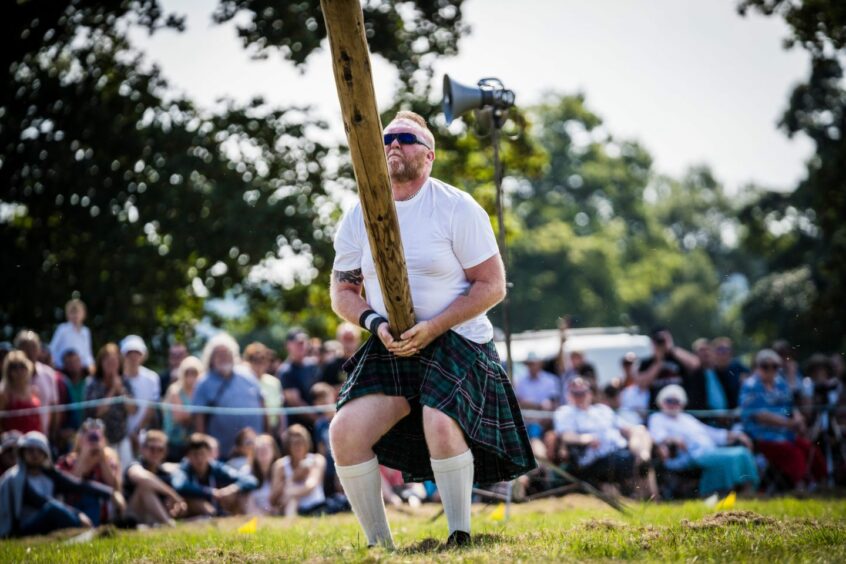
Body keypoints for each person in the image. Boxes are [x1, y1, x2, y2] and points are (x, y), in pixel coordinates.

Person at [329, 110, 535, 548]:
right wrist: (374, 322)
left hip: (456, 338)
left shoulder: (456, 207)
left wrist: (435, 326)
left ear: (430, 155)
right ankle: (379, 547)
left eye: (405, 138)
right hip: (393, 339)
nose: (392, 145)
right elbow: (343, 291)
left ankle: (459, 535)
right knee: (344, 432)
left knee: (441, 423)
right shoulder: (359, 212)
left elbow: (492, 284)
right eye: (386, 139)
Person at [0, 431, 122, 538]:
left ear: (45, 454)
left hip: (49, 522)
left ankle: (90, 532)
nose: (35, 454)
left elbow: (78, 485)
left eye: (39, 450)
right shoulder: (16, 478)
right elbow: (41, 502)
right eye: (30, 450)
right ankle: (89, 532)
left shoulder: (49, 474)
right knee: (53, 509)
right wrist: (78, 515)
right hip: (22, 528)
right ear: (22, 452)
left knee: (89, 498)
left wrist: (110, 493)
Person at [553, 377, 658, 499]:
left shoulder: (602, 410)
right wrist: (585, 439)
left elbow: (627, 429)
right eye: (575, 393)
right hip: (595, 458)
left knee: (640, 430)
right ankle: (650, 497)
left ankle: (644, 457)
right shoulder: (566, 412)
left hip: (619, 449)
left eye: (583, 392)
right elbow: (566, 436)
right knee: (635, 460)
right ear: (568, 395)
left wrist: (637, 433)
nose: (579, 396)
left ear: (590, 393)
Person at [648, 385, 759, 497]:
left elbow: (711, 433)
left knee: (742, 452)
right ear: (661, 402)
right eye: (669, 400)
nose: (672, 404)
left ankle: (747, 489)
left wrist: (737, 435)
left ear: (682, 403)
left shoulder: (687, 418)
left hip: (709, 451)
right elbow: (657, 437)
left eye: (676, 401)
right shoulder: (657, 418)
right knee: (733, 455)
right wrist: (674, 439)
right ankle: (714, 492)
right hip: (689, 456)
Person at [740, 349, 826, 490]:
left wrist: (799, 421)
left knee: (809, 448)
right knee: (793, 452)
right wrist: (789, 423)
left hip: (786, 433)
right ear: (757, 366)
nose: (770, 370)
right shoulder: (750, 386)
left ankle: (823, 484)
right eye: (765, 366)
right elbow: (760, 415)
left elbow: (790, 407)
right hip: (762, 435)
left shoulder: (780, 384)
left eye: (774, 366)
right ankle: (801, 487)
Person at [192, 333, 264, 458]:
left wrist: (265, 436)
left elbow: (263, 405)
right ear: (211, 358)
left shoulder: (248, 376)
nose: (223, 357)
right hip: (221, 454)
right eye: (219, 354)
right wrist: (204, 448)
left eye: (226, 353)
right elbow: (199, 417)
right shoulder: (203, 382)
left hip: (254, 452)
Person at [170, 433, 258, 517]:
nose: (199, 459)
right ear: (188, 456)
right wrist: (210, 492)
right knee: (189, 501)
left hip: (218, 506)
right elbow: (179, 485)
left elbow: (250, 480)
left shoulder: (217, 468)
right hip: (191, 509)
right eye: (195, 454)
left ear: (209, 454)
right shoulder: (183, 469)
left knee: (237, 495)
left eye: (202, 453)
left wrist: (232, 489)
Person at [55, 418, 122, 525]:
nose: (93, 441)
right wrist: (83, 457)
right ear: (80, 439)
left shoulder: (109, 461)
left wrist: (102, 460)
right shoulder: (66, 461)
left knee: (92, 499)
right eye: (90, 437)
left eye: (96, 437)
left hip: (103, 512)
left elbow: (115, 488)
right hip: (74, 509)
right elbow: (68, 486)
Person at [85, 344, 137, 470]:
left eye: (114, 361)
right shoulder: (93, 383)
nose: (111, 365)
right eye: (107, 361)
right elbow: (98, 412)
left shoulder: (125, 382)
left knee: (125, 473)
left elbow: (132, 410)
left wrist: (121, 390)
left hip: (121, 439)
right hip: (99, 441)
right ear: (100, 363)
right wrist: (113, 390)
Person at [124, 430, 186, 526]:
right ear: (143, 449)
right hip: (131, 515)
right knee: (144, 487)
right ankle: (168, 524)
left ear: (165, 452)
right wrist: (174, 496)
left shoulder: (165, 473)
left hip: (152, 518)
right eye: (152, 448)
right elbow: (142, 477)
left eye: (160, 449)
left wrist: (175, 506)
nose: (155, 453)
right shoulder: (135, 465)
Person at [637, 328, 701, 410]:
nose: (661, 342)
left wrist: (671, 349)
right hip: (657, 410)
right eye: (658, 340)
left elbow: (695, 365)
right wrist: (658, 361)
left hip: (681, 409)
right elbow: (642, 384)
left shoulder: (678, 358)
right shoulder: (647, 363)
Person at [271, 424, 327, 517]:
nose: (299, 446)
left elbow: (310, 486)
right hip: (291, 507)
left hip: (316, 508)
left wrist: (289, 493)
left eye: (301, 442)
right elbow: (273, 499)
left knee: (293, 496)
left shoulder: (317, 460)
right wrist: (293, 477)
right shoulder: (280, 465)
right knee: (292, 499)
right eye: (295, 443)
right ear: (288, 446)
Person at [13, 331, 58, 439]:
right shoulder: (11, 378)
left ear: (39, 349)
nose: (29, 351)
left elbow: (55, 409)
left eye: (33, 347)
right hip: (16, 440)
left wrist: (53, 435)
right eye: (25, 347)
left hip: (44, 438)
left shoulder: (49, 374)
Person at [120, 335, 161, 451]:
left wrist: (136, 431)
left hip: (144, 436)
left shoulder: (152, 378)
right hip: (120, 437)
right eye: (130, 353)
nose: (133, 357)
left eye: (137, 353)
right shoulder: (117, 378)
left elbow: (151, 409)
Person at [162, 355, 201, 462]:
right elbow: (179, 416)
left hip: (192, 442)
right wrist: (199, 415)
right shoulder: (175, 390)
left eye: (195, 373)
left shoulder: (200, 391)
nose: (191, 376)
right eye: (188, 373)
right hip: (175, 441)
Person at [277, 328, 319, 429]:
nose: (302, 345)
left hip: (315, 426)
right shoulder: (285, 371)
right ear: (288, 345)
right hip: (296, 427)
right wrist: (319, 419)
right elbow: (295, 403)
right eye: (298, 343)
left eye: (304, 342)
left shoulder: (312, 365)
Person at [515, 352, 560, 439]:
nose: (531, 366)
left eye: (533, 363)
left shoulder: (551, 380)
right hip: (527, 422)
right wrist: (539, 405)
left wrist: (532, 404)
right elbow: (519, 403)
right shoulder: (520, 381)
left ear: (540, 364)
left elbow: (554, 403)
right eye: (529, 364)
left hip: (548, 422)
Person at [243, 342, 283, 437]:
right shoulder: (243, 383)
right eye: (255, 360)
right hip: (250, 433)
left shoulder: (274, 382)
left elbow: (280, 410)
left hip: (273, 433)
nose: (260, 365)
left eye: (263, 359)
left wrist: (281, 432)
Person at [0, 351, 43, 434]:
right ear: (8, 371)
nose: (19, 370)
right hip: (12, 443)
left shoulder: (34, 391)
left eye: (22, 365)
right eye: (14, 367)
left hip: (34, 440)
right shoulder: (4, 394)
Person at [49, 299, 95, 373]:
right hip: (62, 369)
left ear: (84, 314)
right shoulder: (62, 329)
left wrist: (91, 365)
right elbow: (52, 349)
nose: (75, 315)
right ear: (67, 314)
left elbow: (88, 354)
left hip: (81, 371)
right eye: (72, 312)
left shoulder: (86, 332)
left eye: (77, 312)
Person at [318, 323, 362, 391]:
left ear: (358, 340)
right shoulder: (331, 366)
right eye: (345, 338)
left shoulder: (364, 363)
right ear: (339, 339)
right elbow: (323, 391)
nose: (348, 343)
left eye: (351, 338)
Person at [244, 434, 280, 516]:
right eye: (259, 449)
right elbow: (248, 500)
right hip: (255, 513)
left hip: (277, 513)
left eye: (266, 449)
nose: (263, 452)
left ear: (274, 451)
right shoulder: (247, 471)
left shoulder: (281, 470)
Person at [711, 337, 748, 408]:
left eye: (726, 349)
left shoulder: (738, 366)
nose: (723, 352)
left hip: (737, 412)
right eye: (720, 349)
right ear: (714, 352)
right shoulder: (709, 371)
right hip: (716, 414)